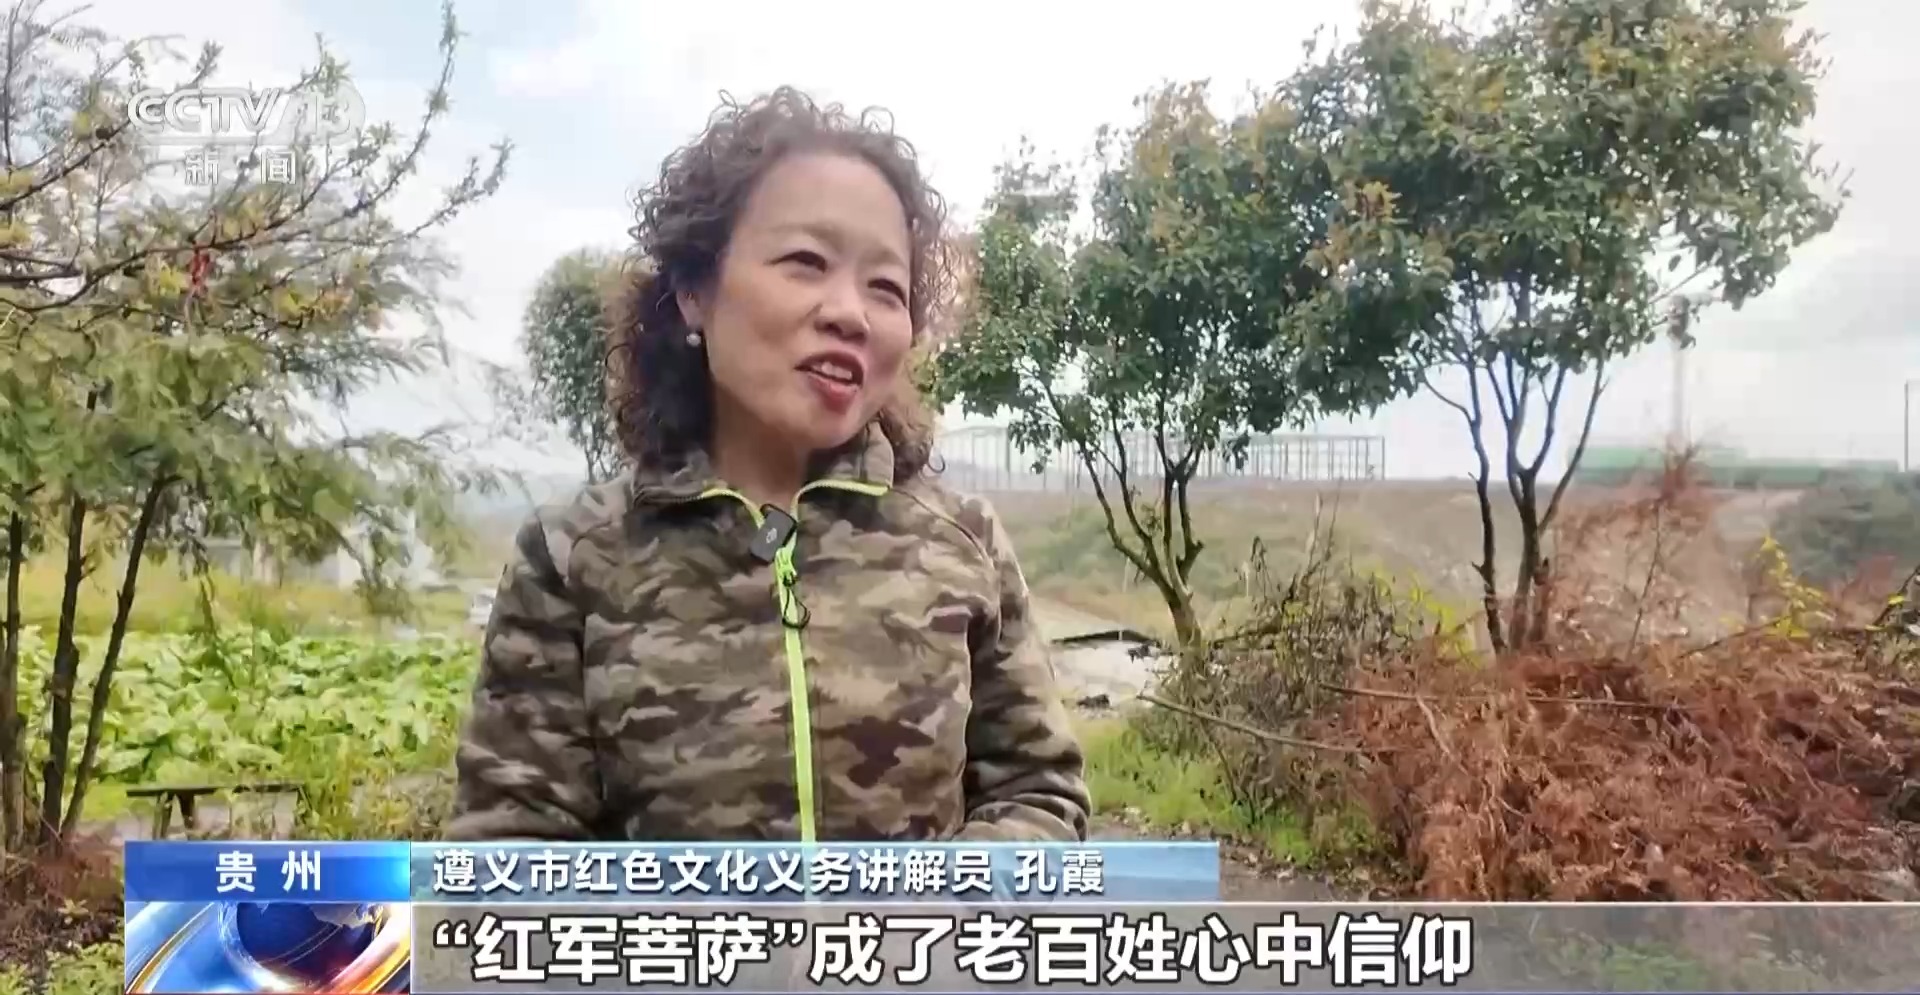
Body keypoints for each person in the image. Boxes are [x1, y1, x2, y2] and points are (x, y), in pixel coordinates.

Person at [446, 87, 1090, 843]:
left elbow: (1039, 793)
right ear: (694, 290)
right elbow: (512, 849)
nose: (850, 312)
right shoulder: (573, 557)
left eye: (886, 287)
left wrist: (931, 906)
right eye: (806, 262)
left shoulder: (962, 540)